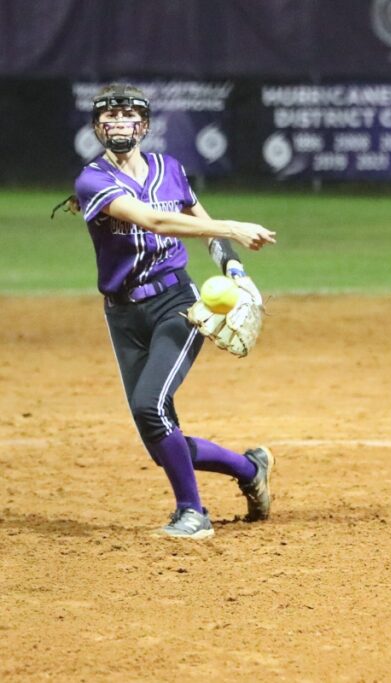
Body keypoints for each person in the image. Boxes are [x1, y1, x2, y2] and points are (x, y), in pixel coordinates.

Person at [69, 83, 278, 539]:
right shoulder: (93, 180)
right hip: (123, 316)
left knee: (150, 406)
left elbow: (202, 229)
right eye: (109, 116)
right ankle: (249, 469)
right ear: (95, 127)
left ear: (144, 125)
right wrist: (233, 225)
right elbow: (154, 220)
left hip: (177, 305)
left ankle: (192, 513)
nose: (118, 122)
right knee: (158, 437)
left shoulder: (169, 169)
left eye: (128, 114)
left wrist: (236, 270)